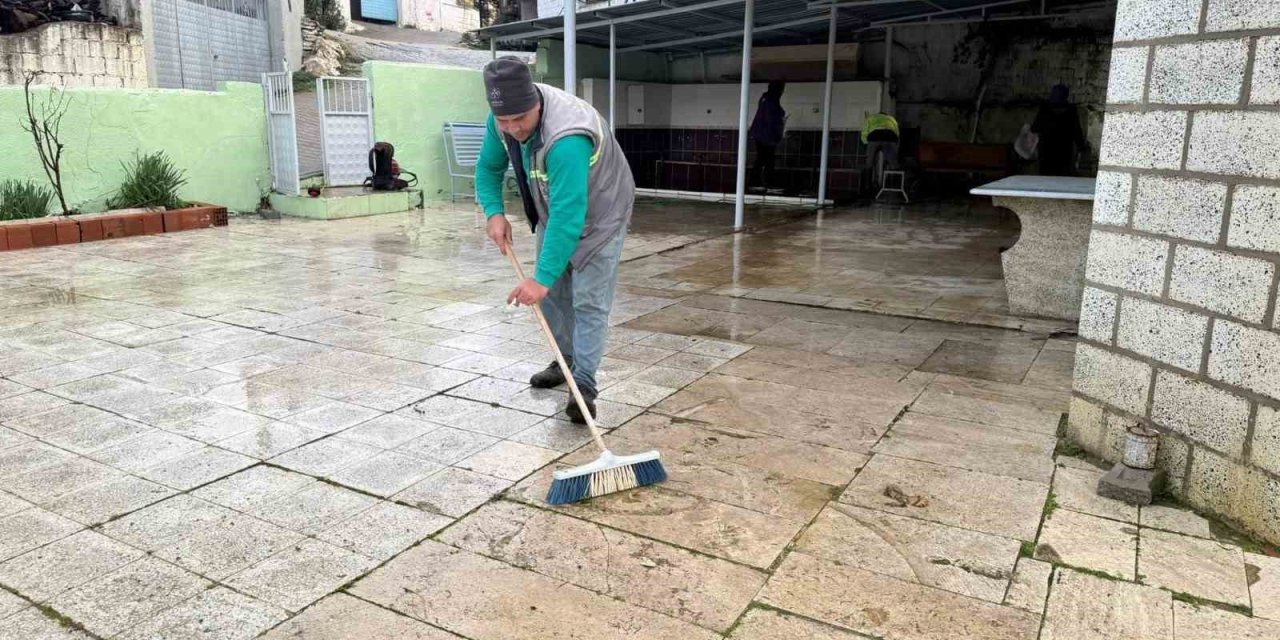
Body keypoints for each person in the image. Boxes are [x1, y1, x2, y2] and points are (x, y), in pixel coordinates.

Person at [473, 57, 636, 424]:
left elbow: (570, 216)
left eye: (521, 119)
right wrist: (494, 211)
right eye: (505, 121)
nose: (513, 129)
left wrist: (540, 279)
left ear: (536, 102)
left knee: (589, 301)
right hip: (556, 206)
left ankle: (584, 386)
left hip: (602, 215)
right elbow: (487, 167)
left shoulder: (567, 138)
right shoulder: (500, 124)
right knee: (554, 298)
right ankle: (565, 361)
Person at [1031, 84, 1089, 177]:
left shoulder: (1045, 109)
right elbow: (1077, 132)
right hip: (1064, 152)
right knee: (1062, 179)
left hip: (1046, 152)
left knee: (1046, 178)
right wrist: (1081, 147)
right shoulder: (1071, 111)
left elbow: (1034, 128)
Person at [749, 81, 786, 191]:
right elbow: (772, 119)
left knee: (761, 158)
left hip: (759, 133)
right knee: (768, 159)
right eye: (782, 89)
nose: (783, 92)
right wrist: (777, 135)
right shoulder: (772, 100)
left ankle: (755, 182)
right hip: (766, 135)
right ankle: (767, 183)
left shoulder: (765, 98)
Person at [861, 111, 900, 186]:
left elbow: (864, 132)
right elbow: (897, 133)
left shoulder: (871, 118)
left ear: (878, 114)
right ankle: (894, 186)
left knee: (869, 163)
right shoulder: (892, 119)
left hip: (874, 137)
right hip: (890, 137)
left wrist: (866, 145)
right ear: (886, 115)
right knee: (893, 164)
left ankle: (867, 187)